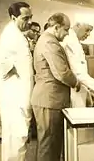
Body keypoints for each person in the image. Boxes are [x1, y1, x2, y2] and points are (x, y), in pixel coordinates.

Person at [31, 13, 81, 161]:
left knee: (49, 143)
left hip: (48, 99)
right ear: (56, 27)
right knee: (49, 145)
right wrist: (76, 83)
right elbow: (62, 73)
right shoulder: (50, 43)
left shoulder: (45, 40)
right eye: (66, 30)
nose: (66, 34)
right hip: (50, 99)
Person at [0, 2, 34, 161]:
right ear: (13, 17)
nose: (29, 22)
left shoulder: (17, 32)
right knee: (16, 138)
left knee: (18, 138)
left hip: (19, 94)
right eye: (25, 18)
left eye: (30, 17)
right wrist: (13, 70)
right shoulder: (10, 34)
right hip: (14, 96)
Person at [62, 22, 94, 108]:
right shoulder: (71, 42)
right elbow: (78, 73)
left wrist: (89, 91)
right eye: (87, 30)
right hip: (74, 92)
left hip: (79, 89)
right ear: (78, 25)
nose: (88, 34)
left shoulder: (75, 41)